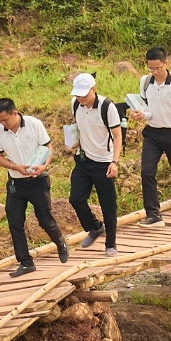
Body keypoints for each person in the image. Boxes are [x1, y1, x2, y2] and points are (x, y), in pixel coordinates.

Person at [0, 98, 69, 277]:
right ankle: (26, 262)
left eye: (5, 120)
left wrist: (44, 165)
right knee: (15, 221)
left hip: (38, 180)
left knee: (45, 219)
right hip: (16, 183)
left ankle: (60, 242)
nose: (3, 124)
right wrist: (15, 167)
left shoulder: (34, 124)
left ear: (15, 113)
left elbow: (48, 147)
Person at [129, 47, 171, 228]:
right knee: (146, 172)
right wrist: (137, 115)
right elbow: (142, 107)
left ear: (166, 63)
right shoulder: (145, 81)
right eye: (151, 68)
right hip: (152, 132)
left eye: (158, 68)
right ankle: (153, 214)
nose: (155, 72)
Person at [68, 72, 123, 255]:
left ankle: (111, 243)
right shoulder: (75, 104)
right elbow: (78, 126)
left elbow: (117, 136)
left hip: (104, 162)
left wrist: (114, 162)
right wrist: (73, 141)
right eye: (78, 94)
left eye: (84, 94)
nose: (81, 98)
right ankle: (95, 227)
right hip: (83, 159)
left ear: (94, 89)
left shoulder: (107, 107)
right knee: (76, 198)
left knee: (108, 204)